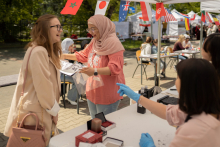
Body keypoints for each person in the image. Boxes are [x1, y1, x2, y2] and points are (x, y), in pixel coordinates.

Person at [117, 58, 220, 147]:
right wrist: (138, 98)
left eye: (178, 77)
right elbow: (169, 112)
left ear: (188, 86)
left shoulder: (191, 131)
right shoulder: (205, 109)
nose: (175, 82)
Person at [4, 14, 62, 145]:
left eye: (61, 26)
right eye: (57, 26)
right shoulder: (39, 51)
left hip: (40, 110)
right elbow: (44, 87)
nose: (61, 30)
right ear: (45, 29)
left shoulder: (43, 50)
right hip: (37, 112)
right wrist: (54, 112)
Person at [61, 15, 125, 119]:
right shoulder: (95, 41)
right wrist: (62, 56)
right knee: (95, 124)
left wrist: (94, 71)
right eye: (89, 29)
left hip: (107, 93)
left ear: (102, 27)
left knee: (103, 126)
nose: (90, 32)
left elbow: (115, 68)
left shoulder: (114, 43)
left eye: (93, 28)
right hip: (92, 91)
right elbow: (83, 55)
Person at [60, 38, 84, 105]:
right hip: (61, 75)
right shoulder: (61, 54)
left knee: (81, 79)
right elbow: (64, 68)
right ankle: (71, 98)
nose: (72, 47)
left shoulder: (69, 53)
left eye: (73, 46)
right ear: (66, 46)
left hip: (68, 74)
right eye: (71, 46)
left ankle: (77, 97)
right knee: (77, 80)